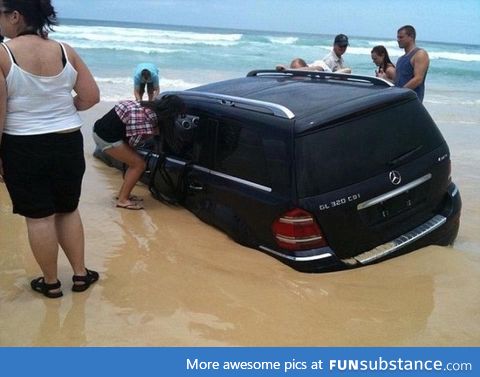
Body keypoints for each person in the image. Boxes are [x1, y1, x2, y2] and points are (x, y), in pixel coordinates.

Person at [0, 0, 100, 298]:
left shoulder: (4, 54)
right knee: (67, 210)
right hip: (68, 141)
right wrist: (62, 108)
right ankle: (81, 275)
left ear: (15, 16)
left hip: (24, 145)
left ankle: (52, 283)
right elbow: (91, 96)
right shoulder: (64, 50)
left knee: (39, 217)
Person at [93, 95, 184, 210]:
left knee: (134, 162)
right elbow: (134, 143)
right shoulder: (144, 120)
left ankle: (124, 194)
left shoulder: (145, 106)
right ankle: (123, 200)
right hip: (106, 138)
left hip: (101, 129)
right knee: (139, 165)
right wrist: (151, 133)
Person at [394, 25, 429, 102]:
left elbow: (418, 79)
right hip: (399, 102)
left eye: (401, 37)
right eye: (397, 37)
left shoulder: (420, 54)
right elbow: (398, 81)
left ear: (411, 37)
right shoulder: (401, 59)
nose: (398, 40)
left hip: (412, 102)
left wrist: (399, 94)